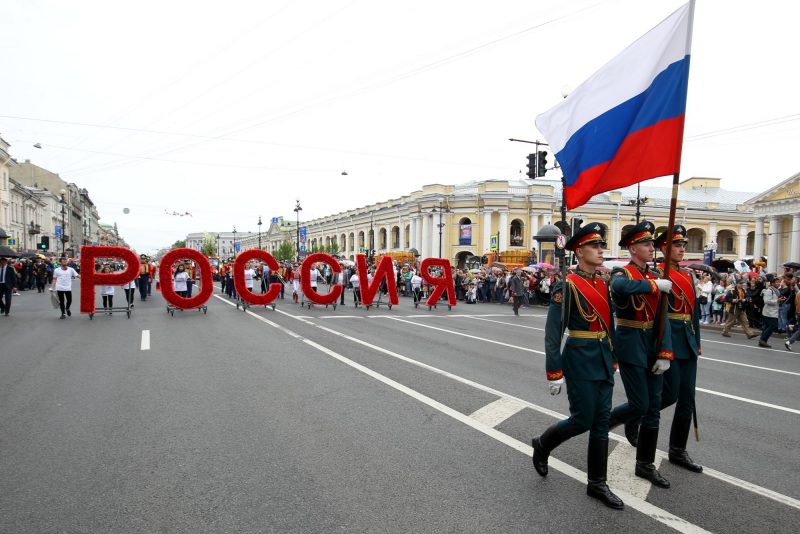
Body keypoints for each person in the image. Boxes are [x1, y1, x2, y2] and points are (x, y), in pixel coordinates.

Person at [531, 223, 623, 509]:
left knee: (601, 422)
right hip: (580, 357)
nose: (600, 250)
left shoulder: (602, 283)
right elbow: (553, 331)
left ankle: (597, 483)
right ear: (580, 251)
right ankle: (544, 444)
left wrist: (614, 356)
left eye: (601, 246)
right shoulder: (567, 284)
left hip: (603, 358)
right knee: (583, 419)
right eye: (594, 247)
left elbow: (610, 325)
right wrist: (554, 372)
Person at [607, 220, 674, 489]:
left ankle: (645, 464)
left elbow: (663, 318)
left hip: (652, 344)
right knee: (640, 404)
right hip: (631, 344)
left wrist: (665, 352)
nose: (651, 248)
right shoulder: (622, 274)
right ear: (633, 248)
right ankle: (608, 420)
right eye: (646, 244)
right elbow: (621, 289)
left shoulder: (656, 274)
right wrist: (655, 286)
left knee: (653, 408)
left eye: (652, 243)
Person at [655, 225, 703, 473]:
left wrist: (698, 341)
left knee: (687, 399)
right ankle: (639, 415)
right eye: (676, 245)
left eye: (683, 245)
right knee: (670, 394)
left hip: (687, 339)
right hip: (669, 340)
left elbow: (693, 312)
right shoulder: (658, 274)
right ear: (663, 248)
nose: (682, 249)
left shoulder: (687, 275)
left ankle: (677, 450)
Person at [759, 274, 781, 348]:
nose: (778, 283)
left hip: (773, 312)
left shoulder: (776, 291)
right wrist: (777, 300)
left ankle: (762, 341)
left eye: (779, 282)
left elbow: (775, 300)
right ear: (772, 283)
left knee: (767, 327)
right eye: (777, 282)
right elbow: (766, 301)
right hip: (769, 313)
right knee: (773, 326)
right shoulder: (769, 290)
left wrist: (779, 300)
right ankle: (763, 339)